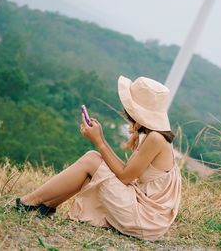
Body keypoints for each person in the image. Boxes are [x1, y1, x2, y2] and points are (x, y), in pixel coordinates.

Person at [16, 75, 182, 241]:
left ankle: (30, 202)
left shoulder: (156, 139)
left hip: (146, 220)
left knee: (91, 159)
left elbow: (124, 177)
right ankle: (45, 206)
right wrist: (100, 138)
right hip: (145, 214)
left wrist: (99, 141)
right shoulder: (152, 136)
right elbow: (125, 171)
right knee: (94, 159)